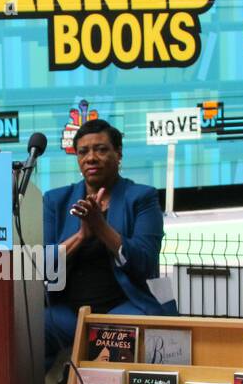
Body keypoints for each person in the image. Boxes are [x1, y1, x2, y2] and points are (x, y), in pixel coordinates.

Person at [42, 120, 175, 370]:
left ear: (119, 153)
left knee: (119, 341)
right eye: (83, 152)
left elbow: (145, 262)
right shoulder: (56, 201)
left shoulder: (141, 198)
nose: (91, 157)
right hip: (66, 312)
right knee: (26, 331)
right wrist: (82, 235)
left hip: (125, 306)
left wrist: (101, 227)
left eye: (101, 149)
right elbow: (44, 266)